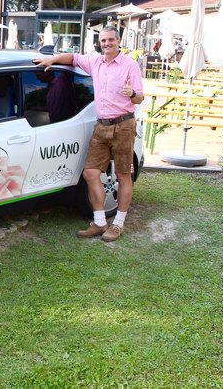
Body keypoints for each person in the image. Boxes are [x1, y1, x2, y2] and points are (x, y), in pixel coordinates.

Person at [33, 25, 144, 242]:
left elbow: (140, 98)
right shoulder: (95, 62)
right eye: (103, 41)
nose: (106, 44)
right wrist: (52, 60)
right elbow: (73, 58)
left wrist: (132, 94)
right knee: (90, 173)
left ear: (118, 41)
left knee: (123, 175)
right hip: (101, 126)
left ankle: (118, 224)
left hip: (123, 125)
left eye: (110, 40)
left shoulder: (130, 65)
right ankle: (100, 221)